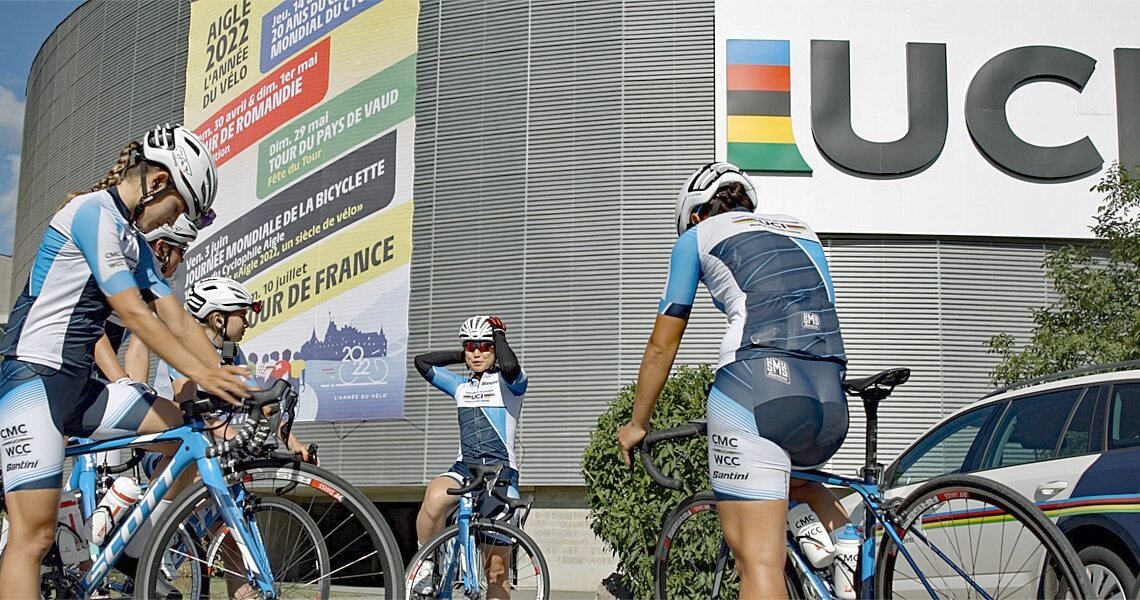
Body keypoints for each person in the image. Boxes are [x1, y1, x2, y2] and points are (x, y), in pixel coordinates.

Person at [0, 124, 251, 598]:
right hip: (34, 380)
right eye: (176, 209)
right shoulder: (91, 213)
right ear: (157, 182)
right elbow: (134, 313)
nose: (171, 223)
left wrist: (234, 383)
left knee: (189, 435)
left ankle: (135, 549)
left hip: (80, 391)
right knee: (33, 538)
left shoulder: (133, 242)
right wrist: (202, 373)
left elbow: (177, 319)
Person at [616, 162, 851, 598]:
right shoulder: (803, 231)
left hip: (755, 388)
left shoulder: (696, 237)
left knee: (759, 564)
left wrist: (637, 423)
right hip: (829, 396)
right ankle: (852, 553)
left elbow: (662, 345)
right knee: (801, 483)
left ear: (696, 213)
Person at [411, 316, 527, 599]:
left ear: (495, 349)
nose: (477, 353)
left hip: (501, 474)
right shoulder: (461, 386)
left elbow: (510, 366)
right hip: (466, 468)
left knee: (496, 573)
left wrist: (498, 335)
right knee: (435, 496)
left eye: (484, 346)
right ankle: (427, 565)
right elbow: (421, 362)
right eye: (470, 346)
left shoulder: (511, 384)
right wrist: (463, 353)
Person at [154, 276, 313, 462]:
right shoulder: (183, 346)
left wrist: (293, 443)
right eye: (243, 316)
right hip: (165, 442)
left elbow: (261, 403)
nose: (247, 324)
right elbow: (188, 412)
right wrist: (234, 437)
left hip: (204, 441)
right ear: (218, 320)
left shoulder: (232, 353)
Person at [95, 213, 199, 382]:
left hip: (97, 361)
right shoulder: (120, 270)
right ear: (161, 247)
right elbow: (91, 329)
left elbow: (138, 350)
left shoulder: (150, 287)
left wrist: (139, 389)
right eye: (181, 250)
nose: (182, 259)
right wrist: (121, 379)